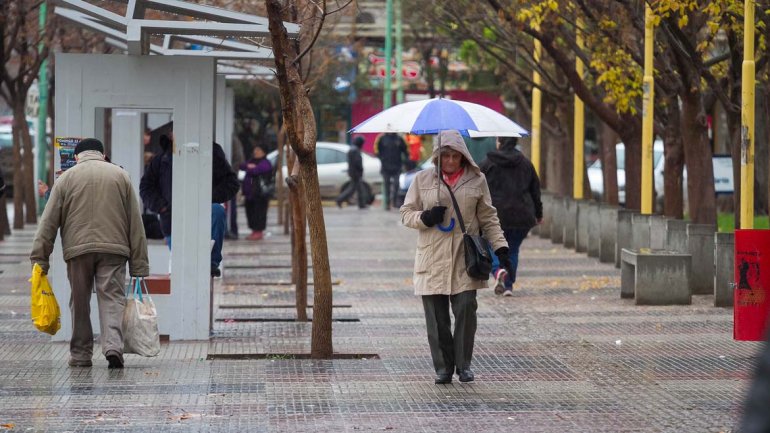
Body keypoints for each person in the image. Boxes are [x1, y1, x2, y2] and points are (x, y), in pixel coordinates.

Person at [400, 129, 512, 385]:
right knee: (436, 319)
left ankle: (464, 365)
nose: (450, 161)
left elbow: (488, 217)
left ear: (464, 157)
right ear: (437, 157)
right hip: (432, 257)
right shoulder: (422, 179)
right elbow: (406, 213)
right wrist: (424, 217)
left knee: (465, 310)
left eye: (455, 156)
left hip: (465, 258)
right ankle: (443, 368)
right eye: (445, 156)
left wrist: (501, 247)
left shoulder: (477, 180)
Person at [29, 138, 149, 369]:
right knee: (112, 298)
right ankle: (113, 346)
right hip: (114, 249)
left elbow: (48, 222)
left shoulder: (66, 179)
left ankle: (81, 354)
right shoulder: (120, 176)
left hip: (78, 250)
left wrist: (39, 259)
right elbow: (136, 223)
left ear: (76, 157)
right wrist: (139, 264)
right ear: (103, 155)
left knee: (80, 300)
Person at [139, 134, 239, 277]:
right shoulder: (161, 159)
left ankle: (211, 263)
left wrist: (208, 198)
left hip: (203, 215)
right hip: (173, 219)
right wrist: (162, 207)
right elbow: (146, 187)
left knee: (217, 211)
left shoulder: (212, 152)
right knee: (184, 268)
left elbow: (231, 183)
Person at [479, 137, 543, 297]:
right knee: (512, 250)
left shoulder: (488, 163)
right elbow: (535, 190)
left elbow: (476, 186)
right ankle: (508, 286)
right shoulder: (526, 163)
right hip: (522, 216)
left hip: (495, 215)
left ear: (499, 142)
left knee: (492, 244)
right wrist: (538, 213)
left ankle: (497, 270)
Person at [239, 144, 273, 240]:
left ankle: (258, 232)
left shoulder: (266, 163)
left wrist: (249, 168)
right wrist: (249, 166)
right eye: (255, 150)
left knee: (259, 213)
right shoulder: (251, 161)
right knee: (250, 212)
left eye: (258, 150)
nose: (256, 152)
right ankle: (254, 231)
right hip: (249, 194)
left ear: (264, 152)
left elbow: (256, 171)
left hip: (260, 194)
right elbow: (242, 166)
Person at [375, 132, 408, 210]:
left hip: (397, 166)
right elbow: (376, 151)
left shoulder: (399, 138)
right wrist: (382, 159)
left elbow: (405, 150)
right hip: (386, 166)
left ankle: (394, 202)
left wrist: (405, 161)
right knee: (387, 186)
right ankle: (387, 204)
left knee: (396, 184)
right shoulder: (381, 138)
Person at [335, 136, 368, 209]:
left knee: (357, 189)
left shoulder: (353, 149)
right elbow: (357, 162)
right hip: (356, 173)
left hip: (354, 172)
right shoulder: (355, 150)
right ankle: (340, 200)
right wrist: (360, 169)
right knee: (354, 189)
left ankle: (361, 204)